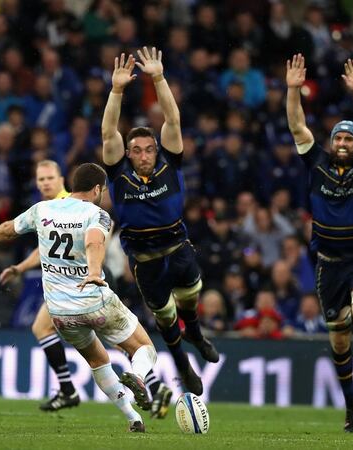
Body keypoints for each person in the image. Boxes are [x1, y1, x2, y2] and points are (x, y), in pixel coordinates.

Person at [0, 163, 157, 433]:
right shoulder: (98, 214)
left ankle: (133, 418)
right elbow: (94, 242)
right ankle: (138, 375)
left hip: (60, 312)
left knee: (98, 361)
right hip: (93, 301)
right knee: (144, 348)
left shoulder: (43, 209)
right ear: (97, 189)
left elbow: (7, 229)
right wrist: (95, 271)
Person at [101, 48, 219, 397]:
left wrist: (158, 78)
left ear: (156, 150)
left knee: (190, 301)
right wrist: (117, 90)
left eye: (148, 149)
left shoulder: (171, 164)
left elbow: (173, 119)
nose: (142, 155)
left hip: (178, 250)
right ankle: (183, 365)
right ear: (128, 153)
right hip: (146, 261)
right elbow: (109, 132)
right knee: (166, 319)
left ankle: (196, 333)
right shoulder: (119, 175)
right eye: (135, 150)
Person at [286, 54, 353, 433]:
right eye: (339, 137)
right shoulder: (317, 164)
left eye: (349, 138)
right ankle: (351, 406)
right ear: (332, 142)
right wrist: (293, 89)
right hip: (327, 264)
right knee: (339, 342)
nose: (343, 142)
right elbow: (297, 125)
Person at [0, 160, 83, 411]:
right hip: (64, 286)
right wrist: (19, 268)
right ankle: (67, 390)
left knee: (108, 335)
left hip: (81, 282)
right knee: (42, 327)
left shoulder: (72, 204)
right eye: (41, 179)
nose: (45, 183)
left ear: (61, 179)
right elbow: (44, 249)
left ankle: (152, 383)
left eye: (49, 178)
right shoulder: (45, 208)